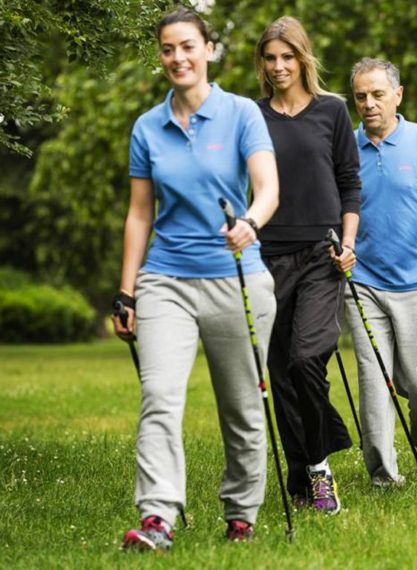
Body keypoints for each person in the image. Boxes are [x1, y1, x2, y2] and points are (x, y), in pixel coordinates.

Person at [113, 7, 279, 550]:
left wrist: (250, 223)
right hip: (167, 279)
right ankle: (157, 516)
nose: (178, 57)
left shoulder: (240, 115)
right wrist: (127, 289)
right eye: (167, 49)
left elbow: (267, 187)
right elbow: (140, 213)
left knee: (242, 405)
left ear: (209, 50)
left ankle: (241, 514)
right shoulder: (147, 127)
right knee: (159, 393)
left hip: (237, 278)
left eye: (187, 46)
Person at [254, 16, 361, 515]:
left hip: (322, 254)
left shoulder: (332, 111)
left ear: (303, 59)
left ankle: (318, 471)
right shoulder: (251, 117)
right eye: (270, 59)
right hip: (267, 258)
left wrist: (348, 242)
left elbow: (349, 184)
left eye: (287, 57)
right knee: (281, 373)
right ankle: (300, 472)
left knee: (305, 359)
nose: (278, 67)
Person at [345, 57, 417, 487]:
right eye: (361, 96)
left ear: (398, 94)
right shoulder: (346, 144)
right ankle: (383, 476)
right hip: (363, 284)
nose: (369, 104)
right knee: (374, 385)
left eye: (378, 94)